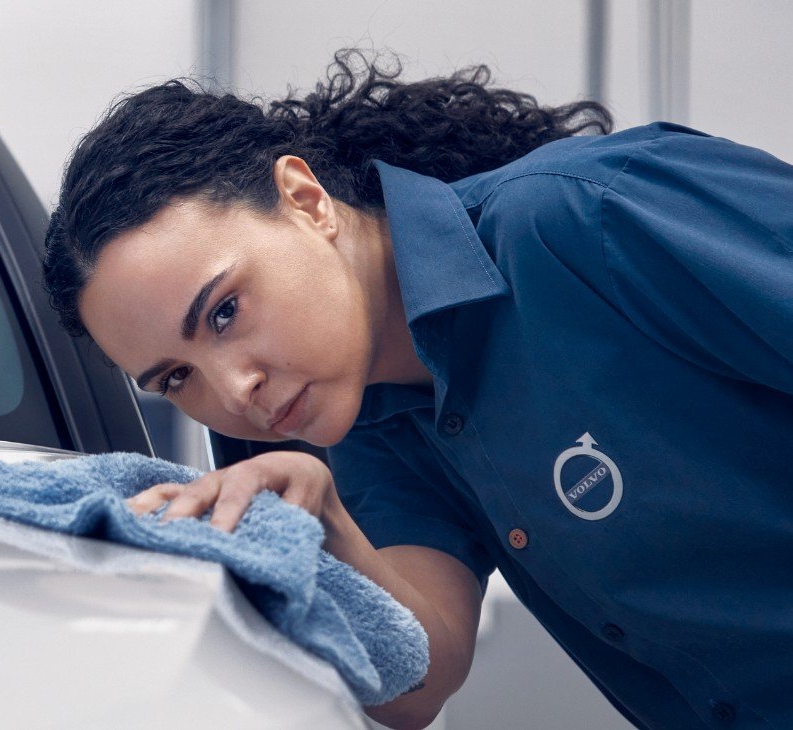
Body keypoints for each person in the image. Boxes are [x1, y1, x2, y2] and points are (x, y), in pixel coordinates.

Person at [41, 51, 793, 729]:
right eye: (177, 378)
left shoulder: (583, 216)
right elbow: (420, 677)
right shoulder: (368, 423)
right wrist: (321, 514)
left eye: (226, 311)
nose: (235, 390)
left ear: (306, 200)